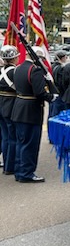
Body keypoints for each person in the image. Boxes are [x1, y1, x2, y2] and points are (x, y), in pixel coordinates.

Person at [11, 46, 55, 183]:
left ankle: (19, 171)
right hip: (30, 111)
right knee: (30, 144)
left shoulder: (18, 68)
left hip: (18, 108)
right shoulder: (35, 70)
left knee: (20, 143)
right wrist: (51, 97)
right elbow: (39, 92)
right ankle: (27, 173)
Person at [0, 45, 20, 175]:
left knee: (5, 137)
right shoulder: (14, 72)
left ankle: (7, 163)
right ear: (14, 59)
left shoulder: (1, 71)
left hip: (1, 104)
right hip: (10, 105)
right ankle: (10, 166)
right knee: (12, 138)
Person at [49, 50, 68, 118]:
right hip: (59, 91)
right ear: (62, 58)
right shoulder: (61, 68)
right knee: (56, 111)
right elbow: (61, 82)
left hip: (51, 90)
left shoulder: (51, 66)